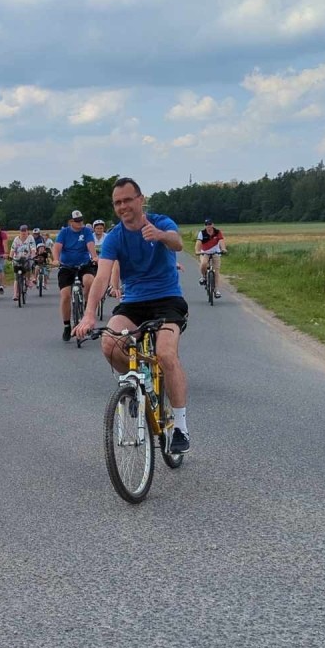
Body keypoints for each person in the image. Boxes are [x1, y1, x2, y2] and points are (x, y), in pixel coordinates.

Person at [73, 178, 192, 454]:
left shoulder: (161, 222)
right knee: (109, 342)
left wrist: (160, 236)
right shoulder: (115, 237)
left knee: (165, 354)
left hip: (167, 299)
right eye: (118, 202)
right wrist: (89, 314)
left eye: (128, 200)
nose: (123, 206)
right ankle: (141, 381)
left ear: (141, 199)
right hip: (134, 302)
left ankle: (181, 427)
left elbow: (177, 243)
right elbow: (102, 277)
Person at [51, 210, 100, 341]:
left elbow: (90, 245)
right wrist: (56, 259)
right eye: (77, 221)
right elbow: (56, 247)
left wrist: (94, 257)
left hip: (83, 264)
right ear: (70, 222)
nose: (80, 223)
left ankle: (86, 307)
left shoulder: (86, 231)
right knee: (65, 295)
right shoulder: (64, 232)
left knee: (89, 281)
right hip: (66, 266)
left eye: (81, 220)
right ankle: (67, 325)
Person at [194, 219, 227, 299]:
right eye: (206, 225)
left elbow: (221, 241)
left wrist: (223, 249)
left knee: (216, 271)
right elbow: (198, 243)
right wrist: (197, 251)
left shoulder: (217, 232)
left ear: (213, 224)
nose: (208, 226)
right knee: (204, 264)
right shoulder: (202, 233)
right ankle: (204, 277)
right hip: (205, 252)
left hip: (215, 252)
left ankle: (216, 290)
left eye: (209, 224)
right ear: (205, 226)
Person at [9, 225, 37, 301]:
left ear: (27, 231)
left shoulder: (30, 238)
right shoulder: (16, 239)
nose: (23, 233)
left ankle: (28, 280)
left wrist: (33, 255)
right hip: (17, 259)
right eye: (22, 231)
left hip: (27, 258)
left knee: (28, 267)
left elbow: (33, 248)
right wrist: (10, 257)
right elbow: (12, 249)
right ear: (20, 232)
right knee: (16, 277)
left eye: (25, 231)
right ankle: (15, 294)